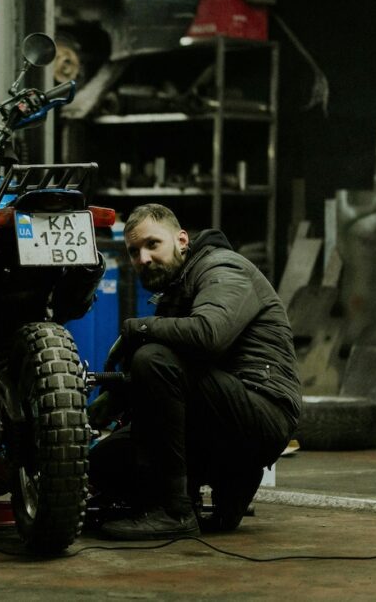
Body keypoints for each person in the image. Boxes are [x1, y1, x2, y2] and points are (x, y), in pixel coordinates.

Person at [88, 203, 301, 540]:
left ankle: (175, 511)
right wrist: (108, 404)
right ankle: (227, 479)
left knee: (152, 359)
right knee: (106, 461)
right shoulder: (176, 289)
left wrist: (135, 329)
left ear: (182, 240)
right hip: (217, 412)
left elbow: (209, 335)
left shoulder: (223, 269)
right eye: (133, 251)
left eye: (152, 244)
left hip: (261, 409)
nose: (142, 258)